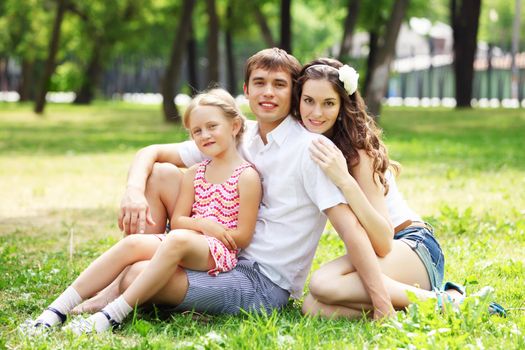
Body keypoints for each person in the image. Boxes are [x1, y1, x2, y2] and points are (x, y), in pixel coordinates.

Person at [73, 48, 395, 323]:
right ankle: (121, 288)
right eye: (260, 83)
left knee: (137, 275)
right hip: (223, 255)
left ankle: (125, 292)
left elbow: (350, 229)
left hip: (263, 282)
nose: (268, 92)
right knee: (158, 175)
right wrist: (132, 191)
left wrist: (382, 306)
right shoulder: (242, 134)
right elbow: (153, 153)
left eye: (279, 85)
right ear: (247, 90)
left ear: (293, 94)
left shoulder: (310, 150)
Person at [20, 88, 263, 334]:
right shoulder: (194, 173)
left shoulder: (247, 176)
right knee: (134, 244)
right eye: (197, 131)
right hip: (189, 239)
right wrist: (203, 225)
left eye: (212, 126)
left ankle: (111, 316)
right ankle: (56, 310)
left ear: (234, 126)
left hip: (219, 253)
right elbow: (178, 221)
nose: (205, 135)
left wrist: (210, 230)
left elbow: (242, 237)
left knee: (177, 239)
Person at [293, 58, 506, 318]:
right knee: (313, 307)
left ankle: (456, 304)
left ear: (342, 106)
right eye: (309, 101)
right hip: (382, 255)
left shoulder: (357, 151)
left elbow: (383, 240)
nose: (316, 113)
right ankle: (426, 306)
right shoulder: (314, 146)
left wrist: (345, 181)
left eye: (328, 103)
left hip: (411, 246)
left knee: (323, 283)